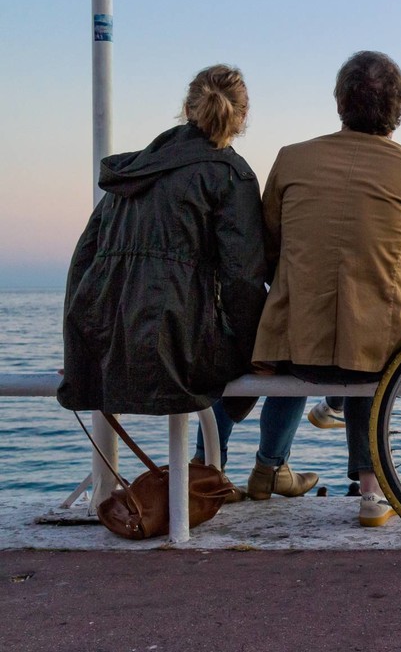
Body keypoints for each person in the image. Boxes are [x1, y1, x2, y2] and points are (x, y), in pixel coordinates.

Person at [249, 51, 401, 525]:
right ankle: (372, 494)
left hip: (291, 347)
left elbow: (267, 250)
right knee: (373, 347)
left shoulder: (291, 158)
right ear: (399, 107)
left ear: (339, 102)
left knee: (307, 337)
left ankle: (264, 470)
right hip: (374, 354)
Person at [58, 65, 267, 432]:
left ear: (187, 108)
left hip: (107, 349)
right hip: (180, 353)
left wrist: (79, 352)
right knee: (288, 361)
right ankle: (242, 465)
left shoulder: (135, 170)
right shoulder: (231, 175)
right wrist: (259, 355)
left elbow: (83, 263)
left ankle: (207, 467)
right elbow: (242, 283)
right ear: (243, 117)